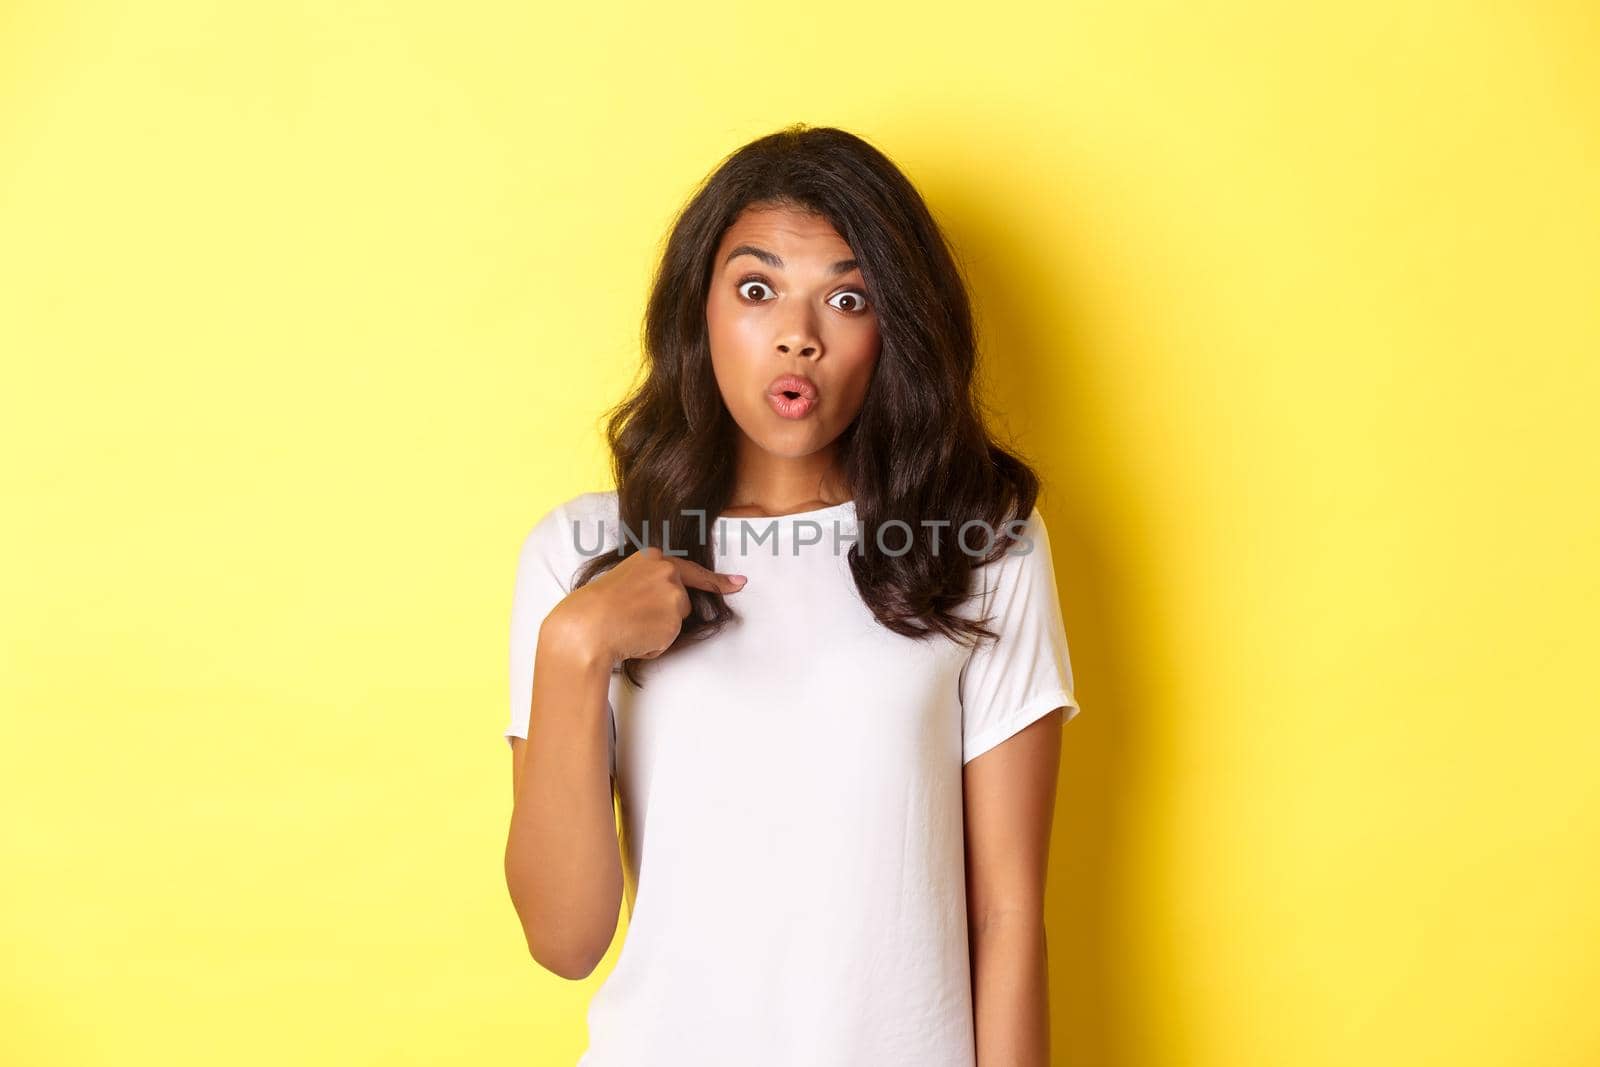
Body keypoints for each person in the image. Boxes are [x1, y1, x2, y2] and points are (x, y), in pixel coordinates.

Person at [502, 124, 1082, 1067]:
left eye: (846, 298)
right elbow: (563, 942)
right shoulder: (581, 553)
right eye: (758, 287)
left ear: (894, 327)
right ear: (700, 308)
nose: (796, 335)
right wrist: (575, 650)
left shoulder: (981, 540)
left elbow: (1008, 913)